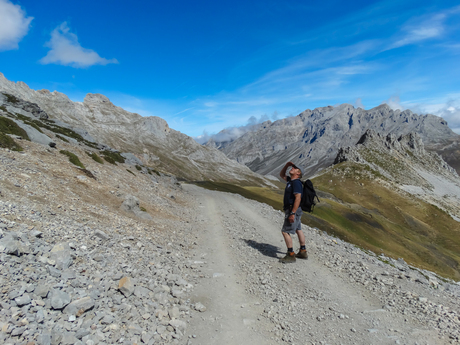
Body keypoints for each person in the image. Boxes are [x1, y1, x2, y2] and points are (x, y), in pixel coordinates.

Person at [279, 161, 308, 263]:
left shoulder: (296, 183)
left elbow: (298, 198)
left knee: (285, 231)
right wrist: (286, 165)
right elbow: (281, 175)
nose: (292, 168)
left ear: (298, 173)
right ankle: (303, 251)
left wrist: (292, 213)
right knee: (298, 229)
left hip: (293, 210)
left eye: (295, 168)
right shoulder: (290, 181)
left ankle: (291, 254)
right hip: (295, 210)